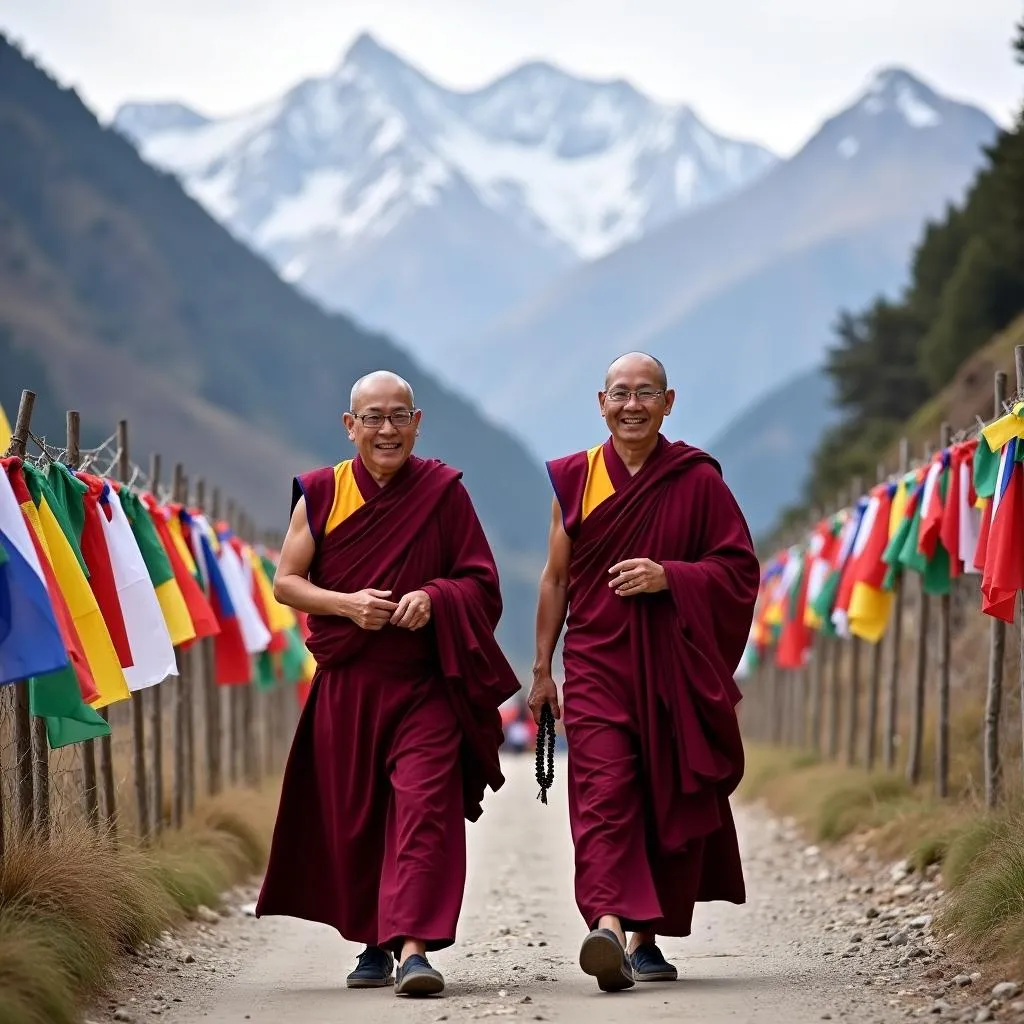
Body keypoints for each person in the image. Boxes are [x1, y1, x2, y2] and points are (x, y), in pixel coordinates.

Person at [255, 371, 521, 998]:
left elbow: (482, 585)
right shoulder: (321, 493)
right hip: (350, 683)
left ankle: (415, 948)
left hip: (427, 682)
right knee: (361, 814)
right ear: (350, 426)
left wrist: (434, 596)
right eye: (372, 417)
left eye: (398, 416)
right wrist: (346, 605)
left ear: (417, 422)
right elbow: (286, 583)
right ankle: (373, 941)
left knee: (424, 807)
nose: (386, 430)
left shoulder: (443, 492)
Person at [528, 352, 760, 993]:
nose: (633, 405)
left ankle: (645, 938)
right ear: (600, 403)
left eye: (646, 394)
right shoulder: (575, 480)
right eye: (621, 394)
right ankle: (605, 926)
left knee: (662, 791)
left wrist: (672, 576)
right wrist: (543, 669)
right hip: (598, 662)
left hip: (671, 669)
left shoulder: (697, 480)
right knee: (604, 795)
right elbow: (555, 579)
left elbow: (739, 569)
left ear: (669, 401)